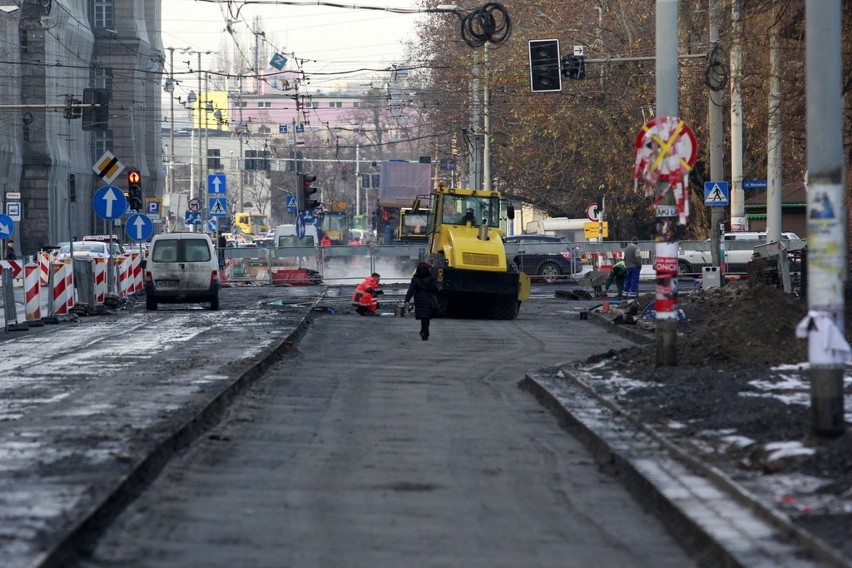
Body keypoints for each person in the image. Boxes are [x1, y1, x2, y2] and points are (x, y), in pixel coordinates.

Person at [404, 262, 439, 340]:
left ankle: (424, 331)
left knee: (423, 316)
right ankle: (424, 332)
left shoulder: (415, 279)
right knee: (426, 317)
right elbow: (435, 289)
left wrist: (407, 300)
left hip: (418, 299)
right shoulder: (431, 278)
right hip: (428, 299)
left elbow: (411, 290)